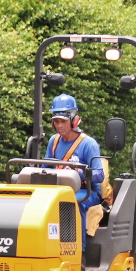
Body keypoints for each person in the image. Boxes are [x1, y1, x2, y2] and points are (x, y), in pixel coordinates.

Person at [44, 93, 106, 239]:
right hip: (60, 189)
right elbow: (46, 166)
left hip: (87, 191)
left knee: (73, 203)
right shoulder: (54, 141)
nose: (59, 125)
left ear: (74, 120)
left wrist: (80, 173)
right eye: (56, 121)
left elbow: (99, 175)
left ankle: (79, 249)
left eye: (63, 121)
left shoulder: (88, 144)